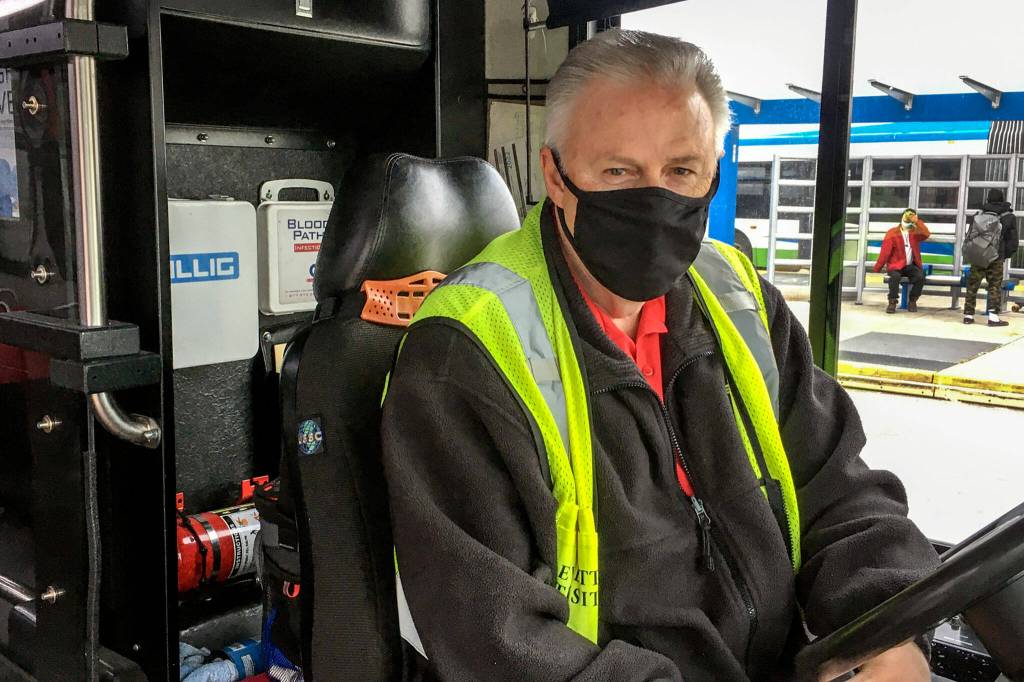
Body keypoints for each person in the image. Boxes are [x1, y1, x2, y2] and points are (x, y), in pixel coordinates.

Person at [381, 30, 937, 681]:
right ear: (555, 177)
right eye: (618, 172)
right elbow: (493, 634)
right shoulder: (467, 349)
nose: (654, 199)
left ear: (713, 177)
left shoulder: (741, 300)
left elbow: (834, 486)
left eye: (681, 171)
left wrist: (887, 629)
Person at [963, 189, 1019, 326]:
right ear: (1002, 199)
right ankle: (993, 317)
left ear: (988, 199)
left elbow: (970, 234)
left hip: (978, 255)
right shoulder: (1008, 216)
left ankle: (968, 316)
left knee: (972, 285)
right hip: (996, 256)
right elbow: (1013, 241)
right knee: (994, 285)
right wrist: (1005, 255)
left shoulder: (979, 214)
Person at [873, 209, 931, 314]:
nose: (910, 217)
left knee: (920, 276)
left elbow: (926, 234)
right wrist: (878, 267)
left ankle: (913, 300)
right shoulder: (892, 232)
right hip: (895, 266)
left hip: (909, 265)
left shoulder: (914, 231)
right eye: (908, 215)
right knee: (895, 277)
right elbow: (885, 252)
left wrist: (917, 221)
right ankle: (892, 301)